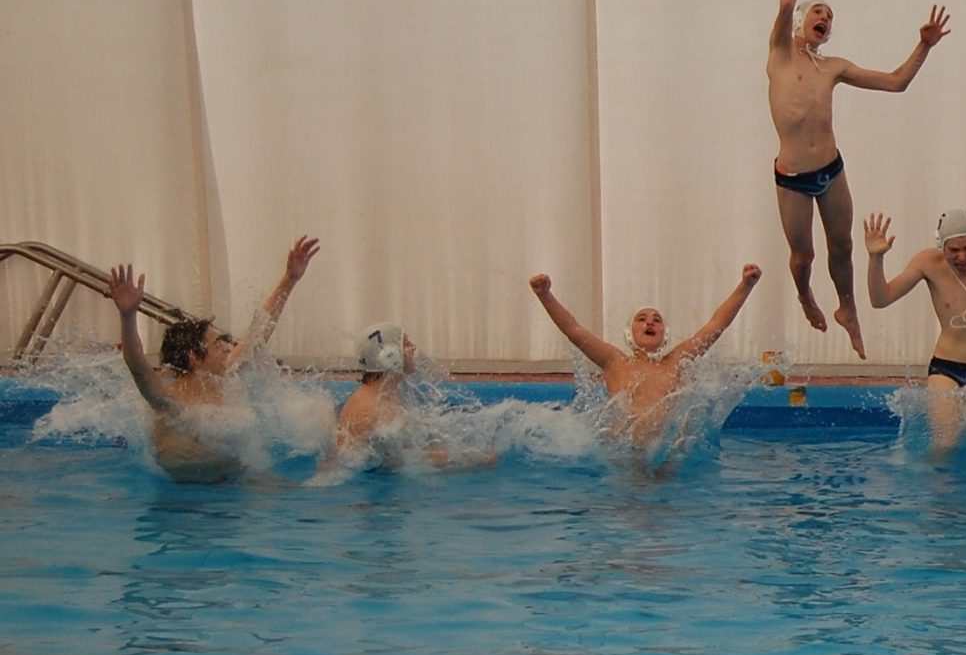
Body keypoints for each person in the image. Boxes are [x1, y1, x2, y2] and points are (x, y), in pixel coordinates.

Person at [766, 0, 949, 357]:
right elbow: (786, 2)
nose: (825, 18)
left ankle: (847, 308)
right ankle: (805, 296)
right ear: (800, 21)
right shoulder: (780, 54)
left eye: (830, 16)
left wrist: (924, 45)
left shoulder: (834, 67)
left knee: (844, 246)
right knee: (803, 256)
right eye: (818, 11)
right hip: (792, 177)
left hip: (831, 171)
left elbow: (896, 83)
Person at [104, 237, 321, 482]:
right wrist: (128, 315)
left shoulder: (222, 377)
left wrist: (289, 279)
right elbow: (139, 369)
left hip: (236, 478)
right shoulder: (171, 404)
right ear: (194, 358)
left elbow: (258, 334)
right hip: (187, 495)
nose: (228, 349)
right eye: (218, 344)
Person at [865, 139, 966, 454]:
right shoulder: (928, 263)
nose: (962, 257)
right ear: (942, 246)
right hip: (947, 368)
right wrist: (876, 259)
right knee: (946, 443)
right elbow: (880, 298)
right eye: (954, 250)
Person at [528, 265, 761, 455]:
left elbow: (716, 325)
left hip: (664, 452)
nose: (650, 323)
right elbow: (574, 331)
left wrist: (746, 285)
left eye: (656, 320)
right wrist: (545, 295)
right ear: (629, 333)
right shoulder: (615, 362)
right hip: (623, 451)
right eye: (641, 319)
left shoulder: (677, 361)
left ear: (665, 334)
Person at [326, 323, 493, 471]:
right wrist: (472, 457)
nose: (413, 347)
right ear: (389, 356)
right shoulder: (376, 408)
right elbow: (409, 458)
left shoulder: (386, 391)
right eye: (405, 343)